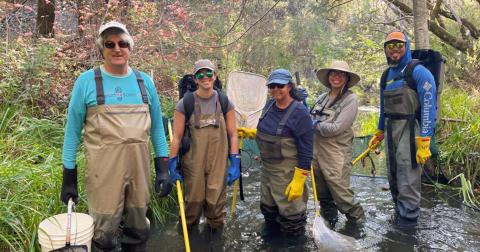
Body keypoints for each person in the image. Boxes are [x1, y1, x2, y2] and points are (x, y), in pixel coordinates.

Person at [60, 21, 171, 251]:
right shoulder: (86, 82)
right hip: (104, 176)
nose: (117, 49)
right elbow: (71, 132)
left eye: (122, 43)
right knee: (104, 234)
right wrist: (68, 175)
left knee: (139, 231)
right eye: (110, 44)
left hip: (139, 173)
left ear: (130, 47)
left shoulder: (145, 83)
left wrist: (163, 166)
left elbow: (158, 128)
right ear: (102, 48)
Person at [369, 31, 436, 227]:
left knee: (408, 179)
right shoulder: (386, 76)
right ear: (385, 50)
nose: (395, 49)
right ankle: (399, 216)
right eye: (390, 46)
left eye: (399, 44)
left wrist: (425, 140)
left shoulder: (418, 71)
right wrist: (379, 131)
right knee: (393, 177)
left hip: (410, 131)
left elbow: (428, 105)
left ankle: (408, 227)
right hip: (390, 131)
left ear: (406, 46)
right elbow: (383, 108)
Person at [168, 59, 240, 234]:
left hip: (218, 163)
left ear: (214, 76)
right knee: (193, 202)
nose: (205, 77)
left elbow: (233, 134)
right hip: (193, 163)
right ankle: (188, 235)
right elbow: (176, 137)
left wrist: (235, 160)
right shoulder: (185, 103)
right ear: (195, 78)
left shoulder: (224, 102)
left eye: (209, 73)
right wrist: (171, 163)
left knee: (215, 204)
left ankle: (215, 238)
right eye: (201, 74)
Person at [249, 69, 313, 237]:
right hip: (267, 171)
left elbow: (307, 150)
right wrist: (251, 133)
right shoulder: (269, 105)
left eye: (280, 85)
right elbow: (266, 130)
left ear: (289, 86)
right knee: (268, 211)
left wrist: (299, 180)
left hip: (287, 175)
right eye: (272, 85)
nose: (275, 89)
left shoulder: (300, 113)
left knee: (292, 220)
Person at [311, 60, 365, 228]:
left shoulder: (351, 100)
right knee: (323, 196)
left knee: (342, 196)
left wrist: (314, 124)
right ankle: (330, 225)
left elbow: (335, 128)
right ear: (328, 77)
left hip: (336, 155)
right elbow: (308, 117)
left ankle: (358, 227)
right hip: (316, 154)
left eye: (341, 74)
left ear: (347, 79)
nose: (337, 77)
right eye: (333, 73)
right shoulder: (322, 97)